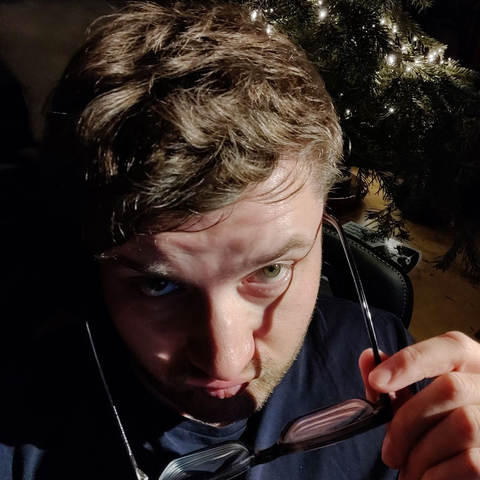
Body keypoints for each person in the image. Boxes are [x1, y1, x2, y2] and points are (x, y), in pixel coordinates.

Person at [1, 2, 480, 479]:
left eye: (270, 270)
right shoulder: (17, 426)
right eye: (158, 286)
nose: (226, 362)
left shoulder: (388, 360)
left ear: (325, 225)